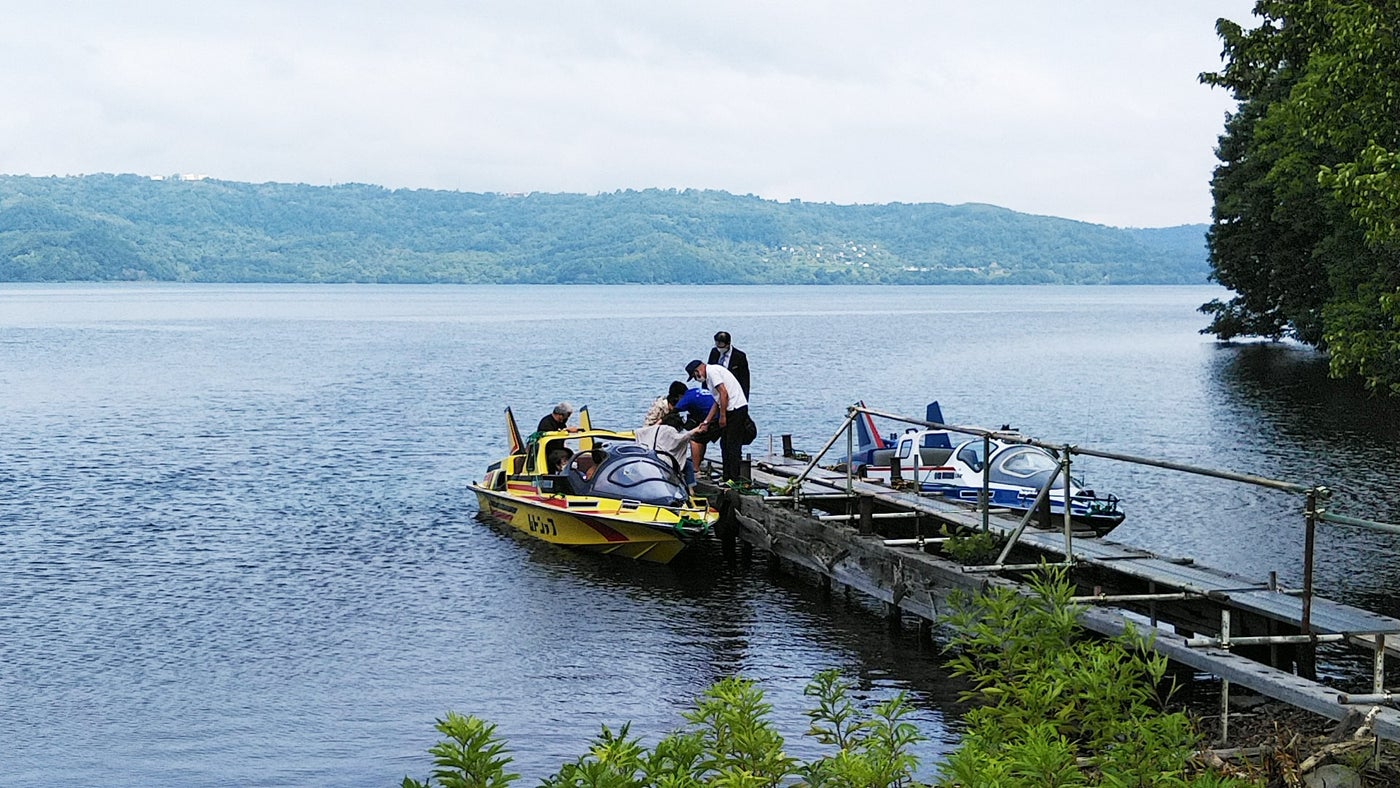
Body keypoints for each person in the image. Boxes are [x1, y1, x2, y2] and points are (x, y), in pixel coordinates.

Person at [686, 359, 750, 482]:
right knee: (724, 444)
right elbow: (717, 401)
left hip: (736, 409)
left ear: (698, 370)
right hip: (729, 409)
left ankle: (734, 478)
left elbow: (724, 394)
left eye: (695, 376)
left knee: (732, 445)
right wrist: (706, 422)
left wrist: (722, 416)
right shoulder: (710, 379)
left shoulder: (712, 372)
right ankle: (727, 476)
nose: (696, 379)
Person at [672, 380, 719, 484]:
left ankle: (695, 470)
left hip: (714, 418)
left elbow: (674, 411)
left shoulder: (685, 398)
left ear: (679, 395)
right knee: (703, 438)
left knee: (695, 439)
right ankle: (699, 460)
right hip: (721, 414)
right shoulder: (696, 391)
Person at [707, 331, 750, 398]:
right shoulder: (714, 352)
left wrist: (744, 399)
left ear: (728, 344)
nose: (719, 347)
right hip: (716, 390)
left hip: (732, 391)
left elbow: (744, 381)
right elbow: (708, 371)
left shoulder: (740, 356)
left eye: (721, 345)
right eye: (716, 344)